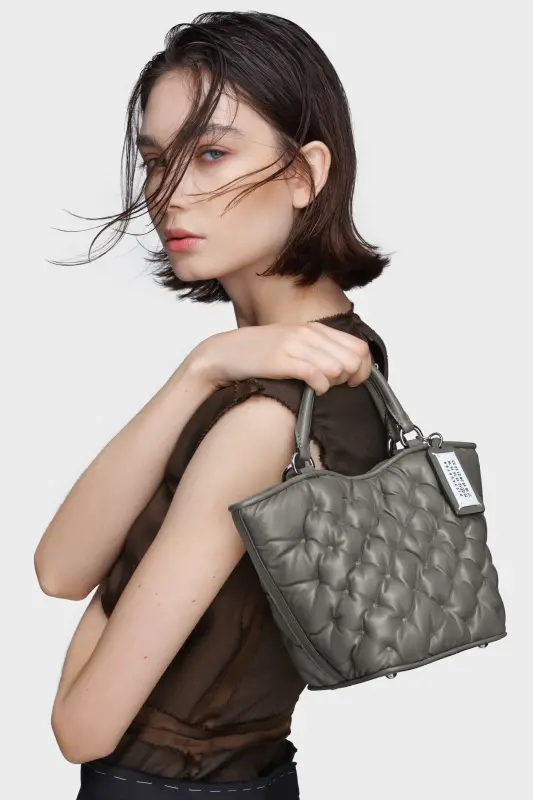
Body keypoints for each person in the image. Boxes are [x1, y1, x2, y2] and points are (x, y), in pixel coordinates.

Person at [35, 11, 392, 798]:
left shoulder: (266, 420)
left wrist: (112, 597)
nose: (168, 192)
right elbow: (57, 570)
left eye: (211, 154)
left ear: (303, 175)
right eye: (156, 160)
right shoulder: (298, 364)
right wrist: (199, 368)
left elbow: (80, 726)